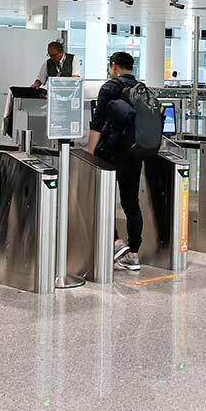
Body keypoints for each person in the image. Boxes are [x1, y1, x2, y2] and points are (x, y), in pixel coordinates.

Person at [87, 51, 146, 272]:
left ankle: (115, 242)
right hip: (134, 152)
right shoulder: (141, 88)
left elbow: (97, 123)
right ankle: (134, 254)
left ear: (114, 66)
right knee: (131, 204)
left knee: (102, 199)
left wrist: (90, 153)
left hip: (111, 153)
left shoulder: (109, 88)